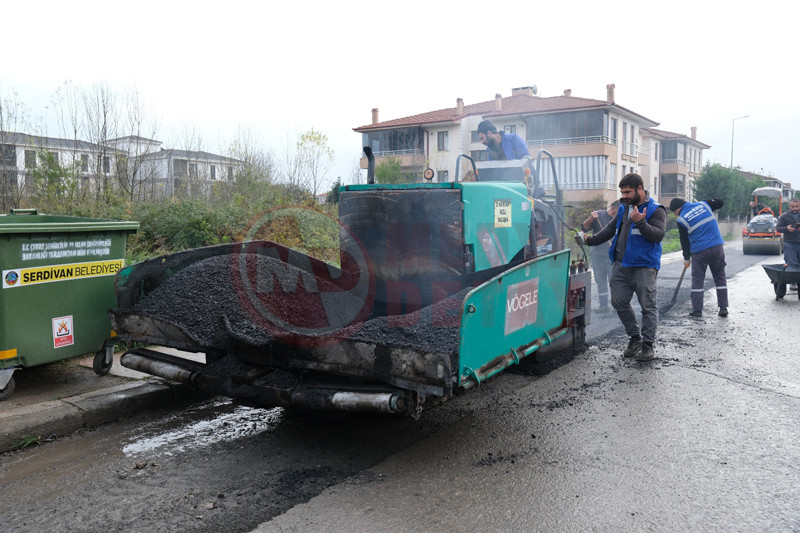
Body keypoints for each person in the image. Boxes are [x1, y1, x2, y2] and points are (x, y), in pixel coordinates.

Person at [577, 173, 666, 361]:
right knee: (618, 302)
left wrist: (640, 222)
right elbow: (610, 229)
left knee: (648, 307)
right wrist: (590, 240)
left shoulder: (655, 210)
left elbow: (658, 235)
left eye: (628, 192)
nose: (624, 196)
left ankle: (648, 346)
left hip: (644, 266)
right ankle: (635, 338)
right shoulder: (624, 209)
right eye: (622, 192)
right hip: (620, 265)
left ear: (640, 189)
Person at [670, 198, 728, 318]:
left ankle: (697, 310)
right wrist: (709, 201)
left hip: (700, 251)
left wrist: (686, 258)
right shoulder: (704, 204)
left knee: (697, 280)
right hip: (717, 247)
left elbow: (684, 241)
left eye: (675, 212)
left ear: (679, 208)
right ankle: (723, 308)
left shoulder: (681, 220)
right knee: (720, 277)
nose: (676, 215)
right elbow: (720, 202)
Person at [581, 200, 621, 313]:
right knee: (600, 281)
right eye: (618, 212)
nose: (619, 215)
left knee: (615, 281)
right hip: (597, 255)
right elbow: (584, 228)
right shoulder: (598, 215)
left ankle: (617, 306)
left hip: (612, 256)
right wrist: (590, 218)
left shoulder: (619, 219)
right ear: (613, 208)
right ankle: (603, 306)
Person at [776, 198, 800, 290]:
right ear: (789, 206)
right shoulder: (784, 216)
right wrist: (786, 228)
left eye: (797, 206)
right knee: (792, 263)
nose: (795, 208)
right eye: (793, 206)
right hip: (789, 243)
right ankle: (793, 283)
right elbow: (778, 228)